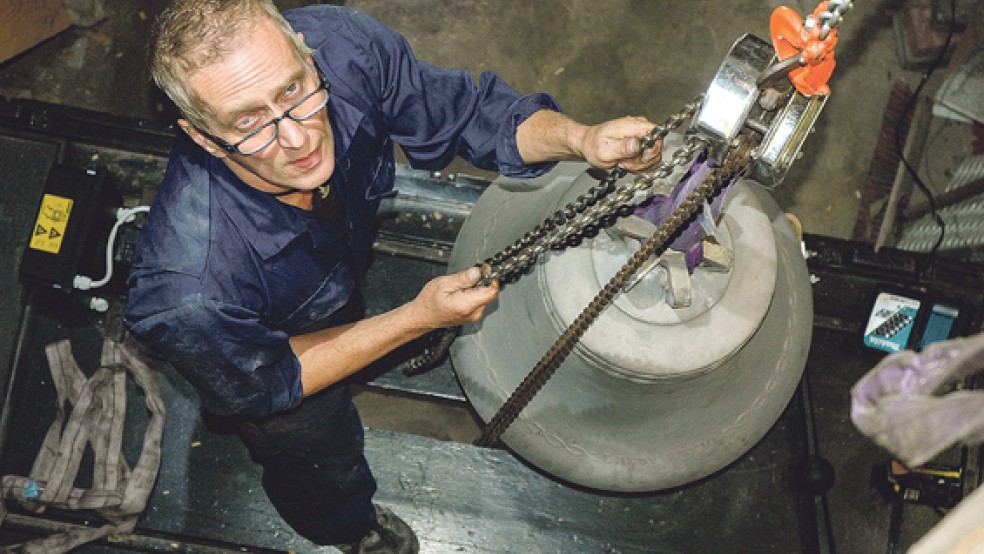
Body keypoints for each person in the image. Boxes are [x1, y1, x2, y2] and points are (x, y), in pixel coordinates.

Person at [124, 1, 663, 552]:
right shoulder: (189, 290)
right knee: (319, 462)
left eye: (293, 91)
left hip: (340, 270)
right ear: (204, 137)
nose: (299, 138)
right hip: (280, 370)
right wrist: (414, 319)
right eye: (249, 121)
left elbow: (469, 115)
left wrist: (581, 140)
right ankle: (350, 532)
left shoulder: (346, 48)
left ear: (308, 52)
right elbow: (272, 380)